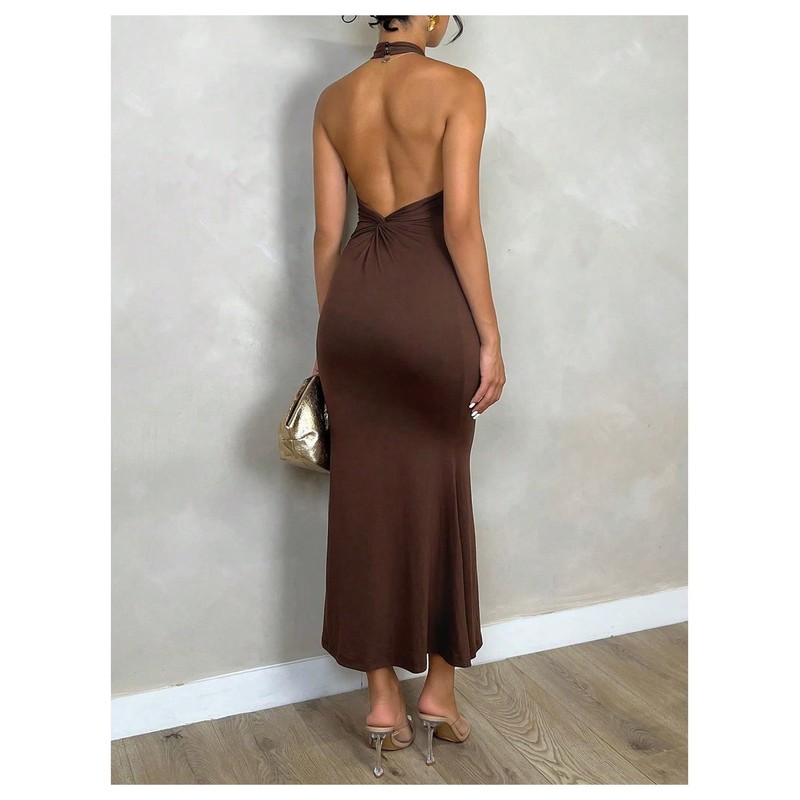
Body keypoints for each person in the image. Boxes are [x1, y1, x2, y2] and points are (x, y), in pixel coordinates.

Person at [311, 15, 506, 777]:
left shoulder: (334, 98)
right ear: (426, 14)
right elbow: (460, 225)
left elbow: (327, 235)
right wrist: (489, 338)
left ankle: (383, 702)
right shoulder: (458, 86)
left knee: (363, 500)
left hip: (352, 310)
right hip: (430, 305)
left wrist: (333, 336)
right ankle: (440, 694)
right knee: (440, 490)